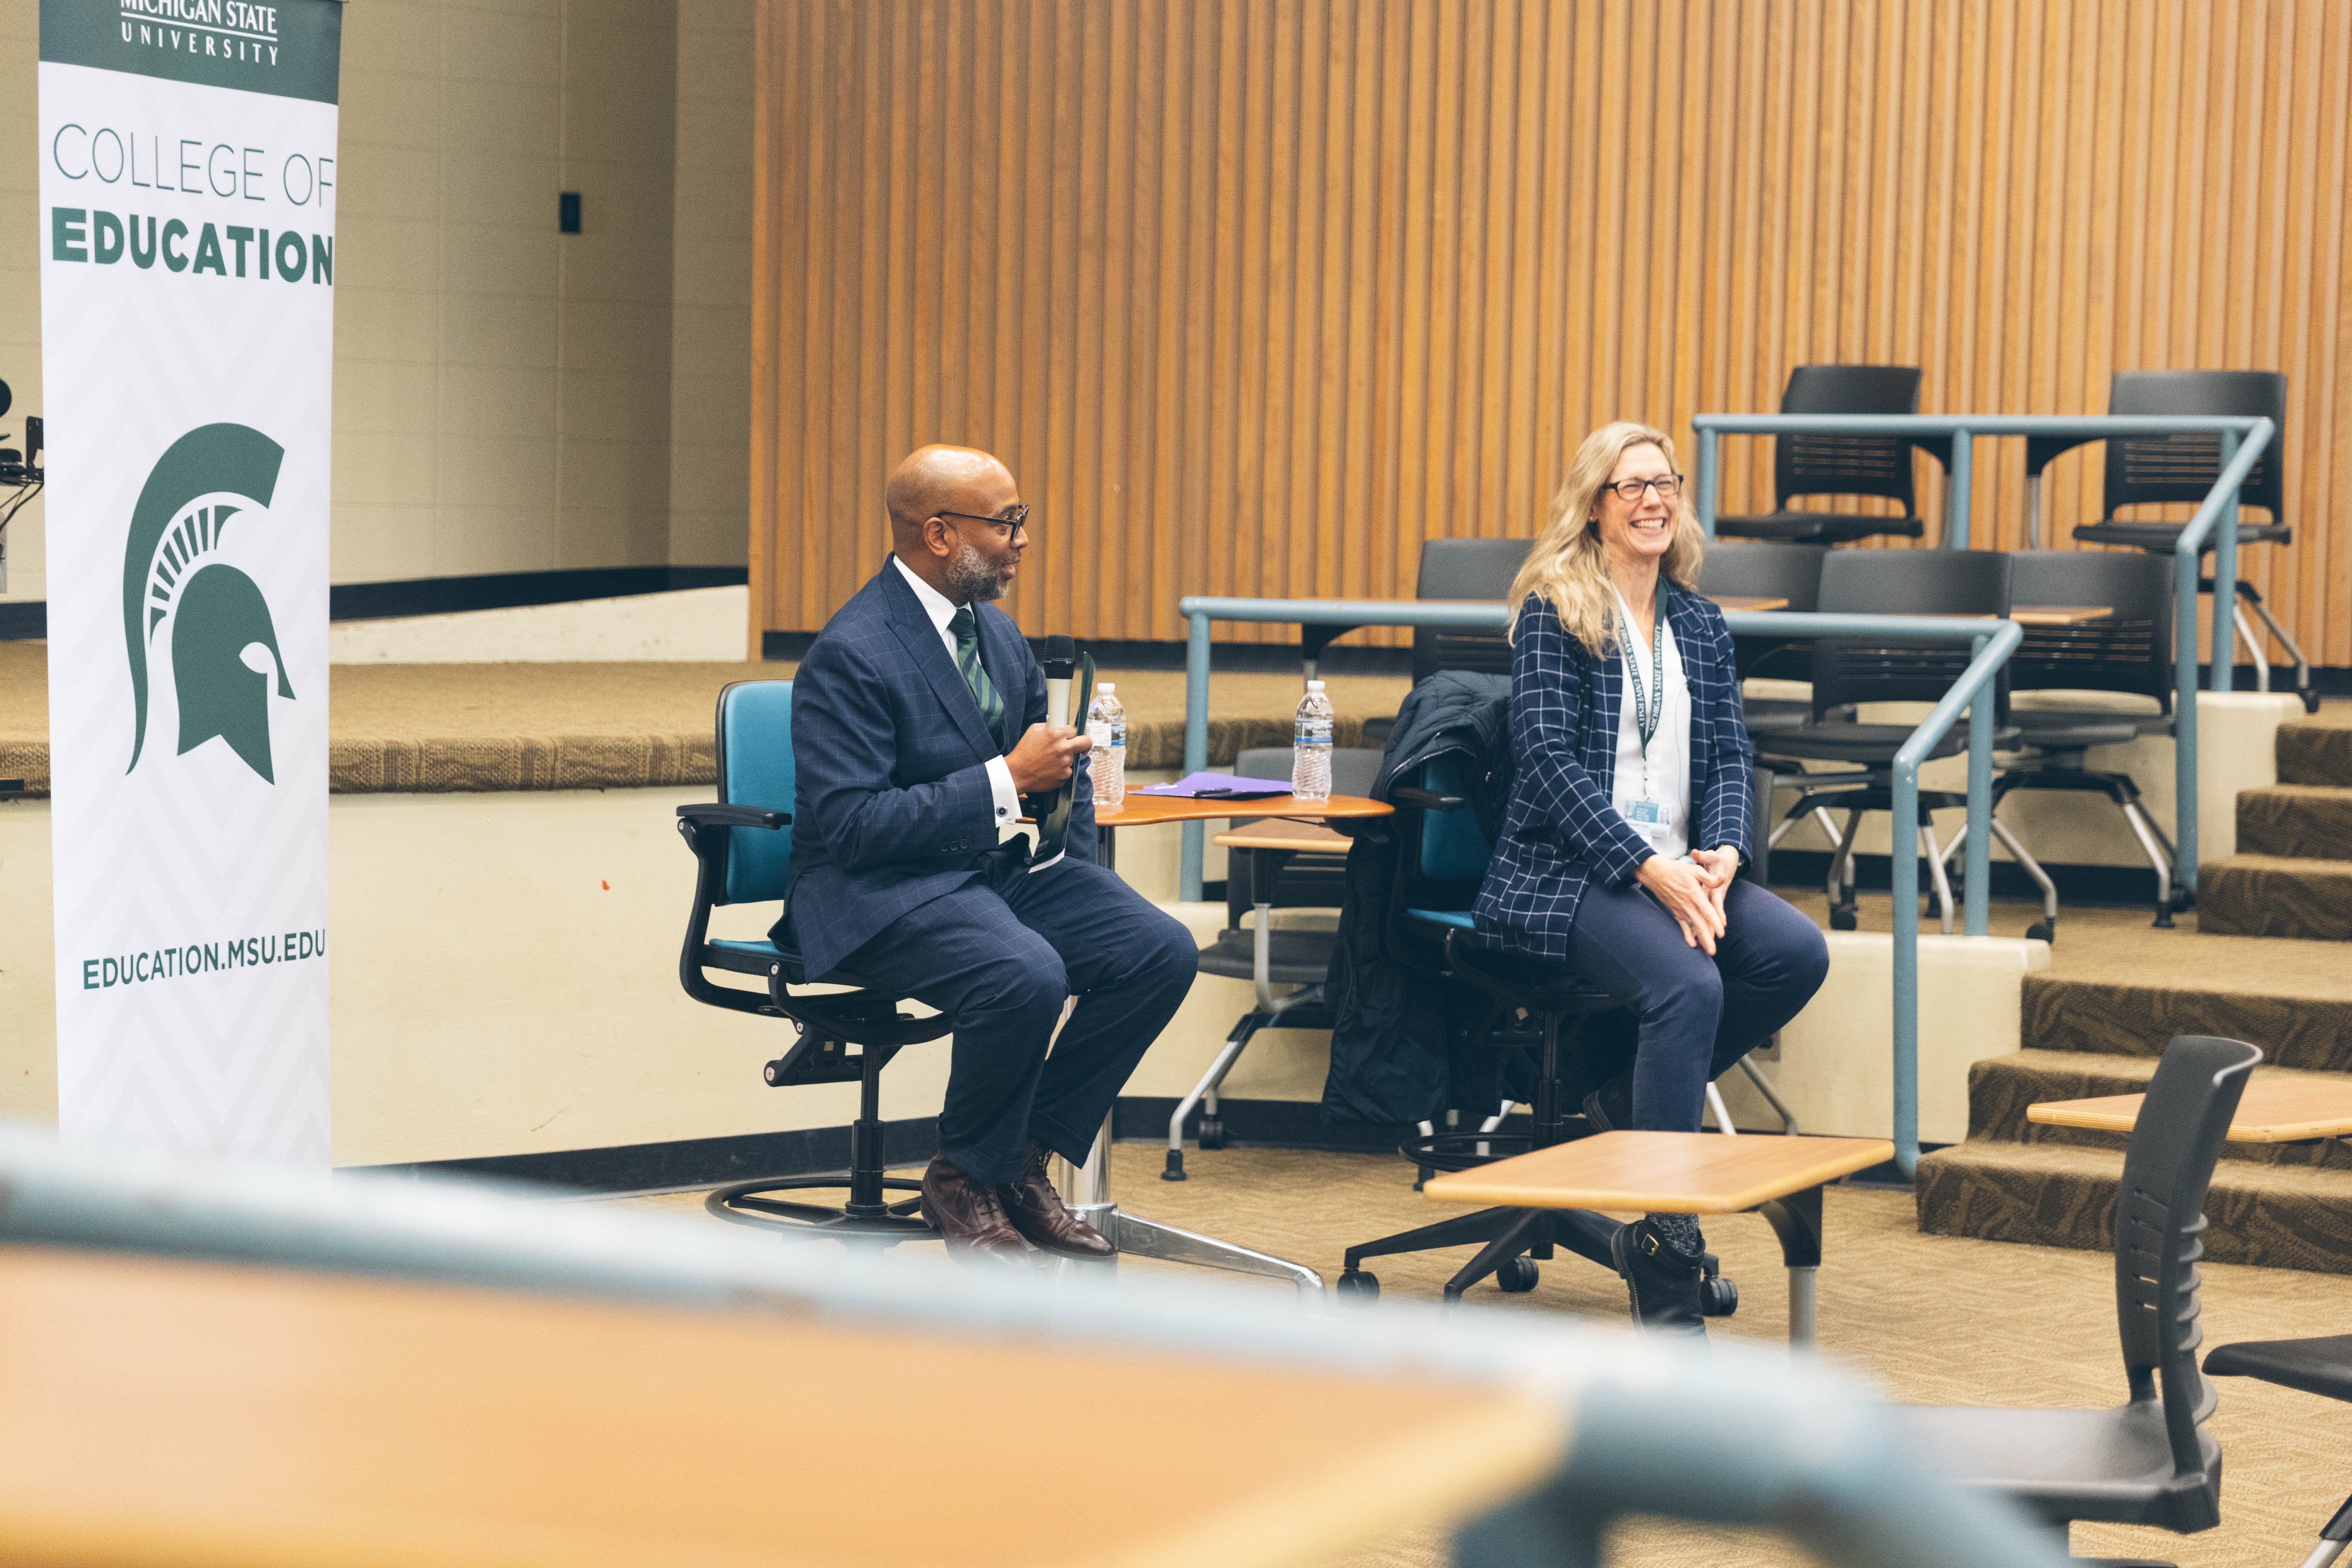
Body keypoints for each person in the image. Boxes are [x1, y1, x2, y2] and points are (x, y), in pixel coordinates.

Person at [777, 444, 1199, 1267]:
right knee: (1025, 971)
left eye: (1020, 519)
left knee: (1158, 948)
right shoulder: (852, 652)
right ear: (939, 533)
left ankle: (1016, 1157)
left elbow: (1054, 787)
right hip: (877, 890)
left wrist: (1080, 877)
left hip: (989, 875)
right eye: (1007, 522)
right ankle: (964, 1175)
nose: (1021, 540)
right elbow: (856, 826)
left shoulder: (999, 639)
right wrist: (1004, 777)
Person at [1474, 420, 1830, 1336]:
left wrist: (1722, 854)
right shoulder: (1557, 608)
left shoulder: (1701, 623)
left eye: (1664, 483)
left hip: (1681, 862)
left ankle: (1625, 1105)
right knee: (1688, 982)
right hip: (1572, 869)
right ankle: (1666, 1244)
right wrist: (1646, 869)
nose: (1652, 500)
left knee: (1795, 952)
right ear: (1593, 508)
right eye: (1629, 486)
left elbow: (1727, 753)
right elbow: (1548, 762)